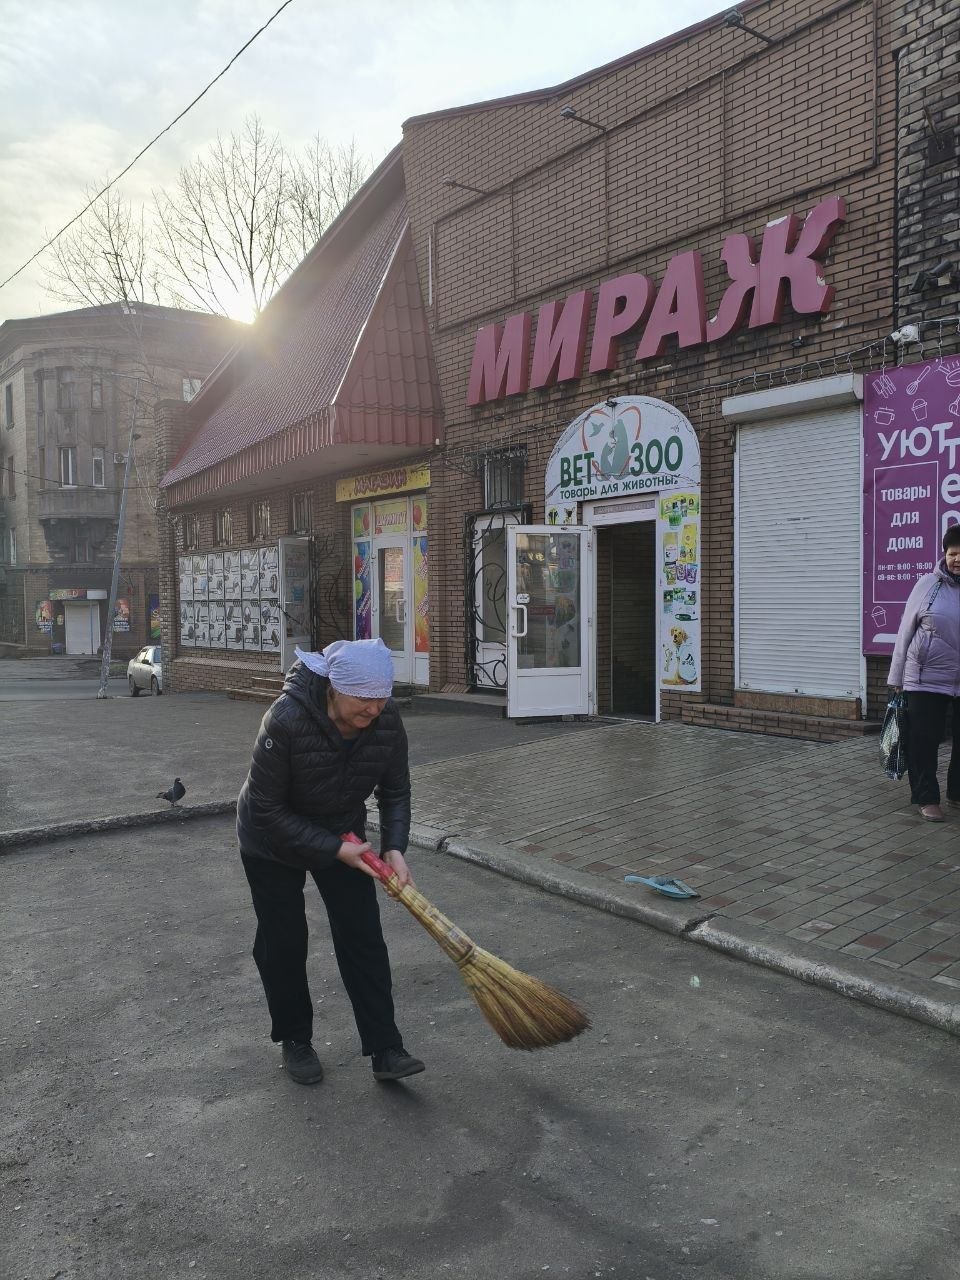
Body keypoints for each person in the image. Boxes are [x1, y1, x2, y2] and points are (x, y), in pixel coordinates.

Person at [237, 637, 424, 1085]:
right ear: (334, 689)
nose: (374, 711)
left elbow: (395, 791)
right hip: (271, 840)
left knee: (363, 936)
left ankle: (385, 1047)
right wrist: (336, 849)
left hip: (342, 829)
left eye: (382, 700)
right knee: (284, 941)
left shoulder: (385, 720)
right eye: (364, 699)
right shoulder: (285, 719)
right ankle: (295, 1040)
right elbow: (266, 810)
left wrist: (394, 847)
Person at [888, 526, 960, 822]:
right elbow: (906, 630)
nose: (958, 559)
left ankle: (957, 793)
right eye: (953, 553)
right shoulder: (928, 584)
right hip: (925, 676)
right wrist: (896, 678)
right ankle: (926, 796)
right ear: (944, 554)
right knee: (924, 738)